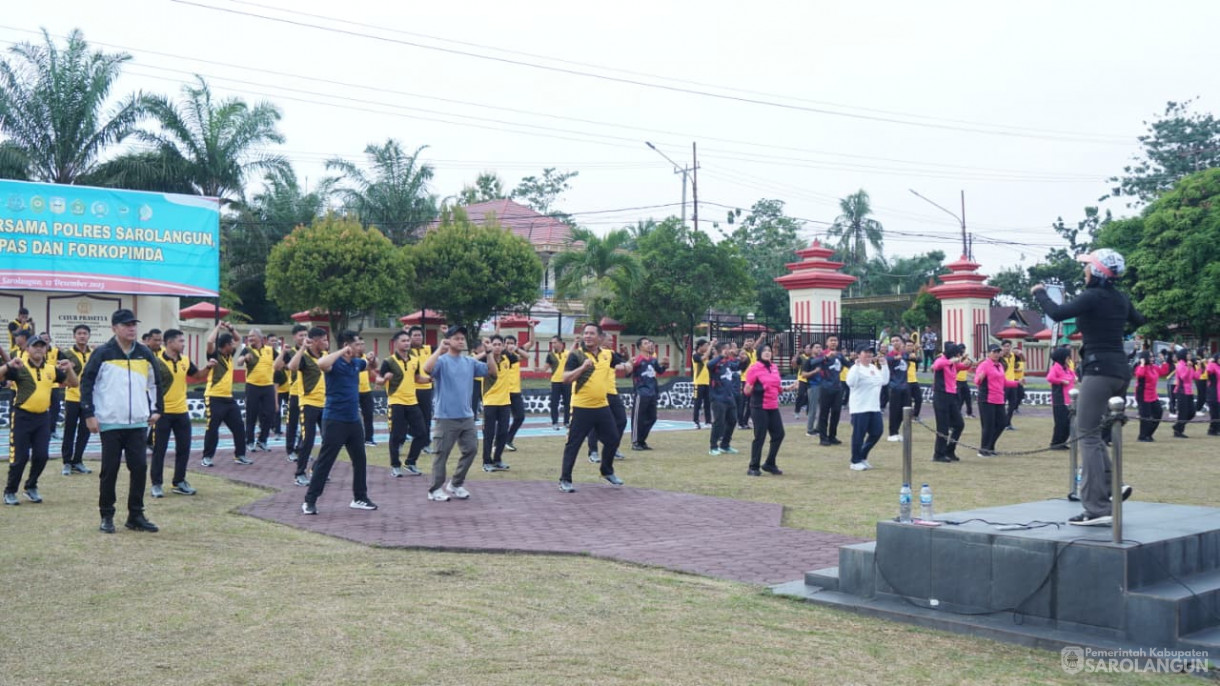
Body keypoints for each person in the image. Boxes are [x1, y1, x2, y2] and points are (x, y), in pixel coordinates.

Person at [1031, 248, 1143, 525]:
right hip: (1120, 371)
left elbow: (1056, 313)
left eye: (1087, 267)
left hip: (1098, 370)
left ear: (1096, 271)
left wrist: (1039, 292)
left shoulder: (1092, 296)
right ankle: (1111, 486)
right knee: (1095, 433)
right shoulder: (1120, 298)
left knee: (1086, 435)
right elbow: (1139, 320)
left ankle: (1096, 508)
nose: (1085, 271)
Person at [79, 309, 163, 534]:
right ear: (114, 328)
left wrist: (157, 409)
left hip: (137, 423)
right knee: (110, 470)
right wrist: (89, 414)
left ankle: (135, 515)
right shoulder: (103, 353)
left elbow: (155, 383)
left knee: (139, 469)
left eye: (134, 324)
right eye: (126, 325)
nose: (132, 328)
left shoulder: (144, 353)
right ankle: (107, 515)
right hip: (110, 422)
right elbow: (87, 383)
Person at [301, 330, 378, 515]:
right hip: (335, 419)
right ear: (346, 345)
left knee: (360, 459)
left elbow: (373, 366)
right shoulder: (333, 363)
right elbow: (321, 364)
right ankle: (309, 500)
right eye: (357, 344)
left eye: (360, 344)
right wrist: (342, 352)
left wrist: (372, 359)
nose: (360, 347)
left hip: (353, 420)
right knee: (326, 462)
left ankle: (360, 497)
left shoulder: (357, 363)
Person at [422, 326, 495, 501]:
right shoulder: (442, 361)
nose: (461, 341)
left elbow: (492, 372)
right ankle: (435, 489)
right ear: (448, 340)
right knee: (442, 454)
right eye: (457, 338)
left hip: (467, 416)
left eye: (463, 338)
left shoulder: (469, 362)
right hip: (446, 417)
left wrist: (489, 352)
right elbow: (426, 369)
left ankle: (455, 484)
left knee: (471, 449)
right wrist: (440, 349)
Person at [1, 335, 77, 505]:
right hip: (22, 417)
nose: (38, 349)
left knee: (42, 456)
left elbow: (74, 383)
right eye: (35, 346)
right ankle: (10, 490)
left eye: (42, 346)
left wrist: (69, 369)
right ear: (27, 349)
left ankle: (31, 486)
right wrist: (7, 366)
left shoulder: (51, 369)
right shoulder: (19, 366)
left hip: (42, 417)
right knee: (19, 458)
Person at [558, 323, 623, 492]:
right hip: (581, 407)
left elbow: (624, 365)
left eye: (591, 333)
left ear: (600, 338)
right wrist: (582, 367)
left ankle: (606, 471)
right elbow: (565, 379)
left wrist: (629, 364)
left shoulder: (607, 355)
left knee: (613, 439)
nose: (587, 336)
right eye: (585, 333)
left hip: (602, 406)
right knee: (573, 444)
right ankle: (565, 479)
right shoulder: (576, 356)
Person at [150, 329, 206, 497]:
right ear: (170, 343)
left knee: (184, 448)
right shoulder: (156, 362)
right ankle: (156, 484)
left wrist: (209, 368)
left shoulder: (186, 360)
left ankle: (179, 481)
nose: (184, 344)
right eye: (181, 341)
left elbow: (197, 376)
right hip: (163, 413)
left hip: (182, 412)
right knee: (159, 449)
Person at [200, 322, 250, 468]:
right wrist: (217, 327)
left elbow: (239, 339)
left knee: (239, 427)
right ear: (225, 345)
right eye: (231, 344)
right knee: (212, 428)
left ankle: (240, 455)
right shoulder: (214, 355)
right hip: (213, 397)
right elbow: (210, 341)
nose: (234, 346)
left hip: (228, 398)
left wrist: (231, 328)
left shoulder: (229, 355)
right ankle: (207, 457)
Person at [380, 331, 429, 477]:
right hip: (396, 402)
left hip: (412, 402)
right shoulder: (388, 362)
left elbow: (418, 378)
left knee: (422, 433)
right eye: (403, 341)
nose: (407, 343)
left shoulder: (414, 360)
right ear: (395, 343)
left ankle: (411, 462)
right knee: (396, 435)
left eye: (408, 340)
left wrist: (431, 379)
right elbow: (379, 380)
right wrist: (383, 379)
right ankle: (395, 465)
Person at [743, 344, 797, 476]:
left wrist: (787, 388)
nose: (767, 353)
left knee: (779, 434)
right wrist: (748, 389)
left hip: (772, 405)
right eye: (764, 351)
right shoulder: (754, 368)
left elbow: (776, 386)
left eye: (769, 351)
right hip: (759, 406)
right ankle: (753, 466)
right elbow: (747, 389)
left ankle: (769, 463)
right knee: (760, 436)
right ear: (759, 353)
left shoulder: (774, 367)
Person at [288, 327, 328, 486]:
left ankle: (317, 469)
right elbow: (292, 366)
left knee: (330, 440)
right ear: (316, 341)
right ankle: (299, 473)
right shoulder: (304, 357)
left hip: (325, 404)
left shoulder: (326, 357)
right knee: (308, 440)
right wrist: (304, 347)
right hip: (308, 404)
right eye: (324, 340)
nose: (326, 343)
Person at [586, 331, 632, 463]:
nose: (612, 342)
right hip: (598, 393)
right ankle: (593, 452)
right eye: (609, 340)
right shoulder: (592, 354)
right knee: (595, 424)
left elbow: (624, 364)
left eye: (612, 340)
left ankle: (612, 447)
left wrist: (627, 359)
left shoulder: (611, 354)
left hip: (612, 392)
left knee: (621, 420)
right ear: (601, 340)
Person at [845, 345, 889, 471]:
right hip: (860, 407)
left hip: (874, 407)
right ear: (859, 354)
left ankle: (862, 455)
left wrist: (884, 366)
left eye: (870, 353)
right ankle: (855, 460)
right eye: (866, 353)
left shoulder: (873, 368)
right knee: (859, 435)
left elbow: (884, 381)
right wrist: (857, 367)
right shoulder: (855, 368)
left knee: (877, 432)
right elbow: (851, 383)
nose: (869, 355)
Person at [59, 324, 94, 476]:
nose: (82, 336)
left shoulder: (94, 353)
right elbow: (60, 376)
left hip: (89, 398)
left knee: (85, 431)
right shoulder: (66, 354)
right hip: (72, 397)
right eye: (79, 333)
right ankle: (67, 462)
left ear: (89, 336)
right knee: (69, 430)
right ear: (74, 336)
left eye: (85, 333)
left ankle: (78, 461)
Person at [930, 341, 970, 463]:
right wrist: (952, 361)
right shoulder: (942, 360)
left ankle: (949, 450)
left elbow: (962, 367)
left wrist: (969, 363)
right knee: (943, 427)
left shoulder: (953, 363)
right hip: (941, 396)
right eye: (957, 353)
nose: (959, 356)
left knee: (959, 424)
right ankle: (938, 454)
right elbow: (936, 366)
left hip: (952, 396)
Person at [480, 335, 514, 472]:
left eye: (500, 344)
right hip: (490, 401)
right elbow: (471, 360)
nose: (497, 347)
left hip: (505, 401)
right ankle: (486, 461)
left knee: (503, 432)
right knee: (489, 433)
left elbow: (524, 355)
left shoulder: (507, 358)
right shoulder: (486, 359)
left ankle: (498, 459)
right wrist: (486, 351)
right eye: (495, 344)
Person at [239, 328, 277, 453]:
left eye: (253, 336)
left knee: (270, 413)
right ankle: (249, 441)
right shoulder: (247, 350)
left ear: (261, 338)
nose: (250, 339)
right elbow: (239, 362)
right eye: (249, 337)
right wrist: (245, 358)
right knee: (251, 414)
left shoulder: (270, 350)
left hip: (268, 386)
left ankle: (262, 440)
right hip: (252, 386)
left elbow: (282, 361)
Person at [274, 324, 309, 461]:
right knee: (292, 423)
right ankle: (290, 451)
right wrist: (282, 352)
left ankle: (301, 449)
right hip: (294, 392)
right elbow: (276, 367)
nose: (304, 338)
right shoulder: (291, 353)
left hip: (308, 393)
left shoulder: (311, 351)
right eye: (301, 335)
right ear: (294, 337)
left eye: (306, 335)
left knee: (307, 424)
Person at [974, 344, 1014, 457]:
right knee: (988, 425)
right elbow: (977, 381)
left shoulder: (1000, 365)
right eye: (994, 352)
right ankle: (984, 449)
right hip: (987, 398)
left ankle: (990, 446)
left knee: (1002, 423)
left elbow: (1004, 381)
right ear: (989, 353)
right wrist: (980, 378)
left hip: (999, 398)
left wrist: (1017, 383)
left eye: (998, 352)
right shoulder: (984, 365)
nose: (996, 354)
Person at [631, 337, 667, 450]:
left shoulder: (653, 360)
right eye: (646, 343)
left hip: (652, 392)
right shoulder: (637, 360)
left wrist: (665, 365)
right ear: (640, 347)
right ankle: (635, 442)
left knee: (652, 418)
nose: (649, 345)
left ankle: (642, 440)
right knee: (638, 418)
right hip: (641, 392)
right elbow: (628, 372)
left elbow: (660, 371)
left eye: (649, 343)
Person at [706, 341, 740, 456]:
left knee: (733, 420)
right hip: (718, 397)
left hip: (729, 397)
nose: (729, 350)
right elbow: (709, 365)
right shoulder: (715, 362)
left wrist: (743, 358)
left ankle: (725, 445)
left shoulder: (728, 363)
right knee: (719, 422)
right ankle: (713, 447)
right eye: (727, 349)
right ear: (721, 350)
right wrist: (720, 356)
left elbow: (738, 366)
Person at [814, 336, 849, 446]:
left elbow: (848, 365)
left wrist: (858, 362)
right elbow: (814, 362)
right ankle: (823, 438)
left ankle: (832, 436)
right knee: (824, 413)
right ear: (827, 343)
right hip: (825, 387)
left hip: (837, 388)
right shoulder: (823, 354)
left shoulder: (839, 355)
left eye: (835, 341)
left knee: (836, 413)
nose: (834, 342)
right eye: (831, 341)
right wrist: (826, 357)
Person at [406, 326, 435, 453]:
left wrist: (446, 335)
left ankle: (425, 443)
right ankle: (402, 440)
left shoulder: (428, 349)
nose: (418, 337)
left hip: (426, 388)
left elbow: (444, 349)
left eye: (420, 335)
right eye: (415, 335)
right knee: (407, 417)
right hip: (410, 388)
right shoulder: (406, 350)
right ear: (410, 337)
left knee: (426, 417)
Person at [1133, 351, 1170, 442]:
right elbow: (1139, 374)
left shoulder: (1153, 367)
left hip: (1153, 395)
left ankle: (1148, 433)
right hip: (1143, 395)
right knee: (1145, 416)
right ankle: (1142, 436)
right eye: (1150, 357)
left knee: (1158, 413)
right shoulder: (1141, 367)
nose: (1152, 359)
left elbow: (1164, 371)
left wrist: (1163, 361)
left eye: (1153, 357)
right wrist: (1142, 363)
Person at [1046, 346, 1075, 450]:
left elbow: (1073, 377)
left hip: (1068, 399)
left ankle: (1062, 442)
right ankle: (1056, 443)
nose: (1069, 359)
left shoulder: (1066, 368)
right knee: (1061, 423)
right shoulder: (1056, 367)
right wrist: (1061, 381)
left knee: (1067, 423)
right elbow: (1049, 378)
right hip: (1060, 399)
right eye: (1067, 357)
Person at [502, 335, 526, 451]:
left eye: (511, 343)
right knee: (503, 420)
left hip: (516, 391)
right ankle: (498, 442)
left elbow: (527, 356)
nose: (509, 345)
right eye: (507, 343)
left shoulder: (516, 357)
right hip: (504, 392)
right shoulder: (501, 356)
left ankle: (508, 439)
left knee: (520, 417)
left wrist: (516, 349)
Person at [885, 344, 912, 442]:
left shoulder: (905, 355)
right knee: (894, 411)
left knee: (904, 411)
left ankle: (896, 431)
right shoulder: (889, 356)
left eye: (898, 341)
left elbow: (916, 359)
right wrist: (895, 358)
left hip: (905, 386)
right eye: (893, 341)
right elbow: (887, 361)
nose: (895, 343)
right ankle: (892, 433)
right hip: (894, 387)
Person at [545, 336, 570, 430]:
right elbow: (546, 367)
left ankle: (566, 422)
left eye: (554, 342)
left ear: (560, 343)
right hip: (555, 382)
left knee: (568, 402)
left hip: (566, 381)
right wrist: (539, 369)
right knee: (554, 403)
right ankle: (554, 423)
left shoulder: (567, 353)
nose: (553, 344)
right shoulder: (550, 355)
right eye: (552, 343)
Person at [737, 334, 762, 430]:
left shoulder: (756, 352)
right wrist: (743, 348)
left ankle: (745, 421)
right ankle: (740, 423)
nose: (749, 343)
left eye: (751, 341)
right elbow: (739, 358)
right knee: (742, 402)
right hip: (744, 380)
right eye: (747, 341)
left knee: (752, 403)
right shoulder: (742, 352)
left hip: (754, 380)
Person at [1171, 350, 1197, 437]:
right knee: (1183, 412)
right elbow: (1183, 377)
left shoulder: (1188, 364)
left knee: (1192, 412)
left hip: (1189, 391)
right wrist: (1189, 368)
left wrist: (1199, 367)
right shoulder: (1180, 365)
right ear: (1184, 355)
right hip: (1181, 391)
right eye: (1188, 354)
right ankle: (1178, 431)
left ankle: (1177, 426)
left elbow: (1196, 376)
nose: (1190, 355)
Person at [800, 342, 823, 437]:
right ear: (812, 349)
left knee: (823, 409)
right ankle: (810, 430)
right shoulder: (808, 361)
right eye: (816, 347)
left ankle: (818, 428)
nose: (819, 349)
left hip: (823, 386)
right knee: (813, 409)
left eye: (820, 347)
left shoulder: (821, 360)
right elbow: (803, 374)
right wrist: (815, 371)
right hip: (813, 386)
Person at [268, 334, 288, 438]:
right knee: (275, 409)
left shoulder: (279, 354)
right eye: (272, 341)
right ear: (267, 342)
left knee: (292, 410)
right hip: (272, 385)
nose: (274, 343)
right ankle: (275, 429)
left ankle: (284, 429)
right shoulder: (265, 353)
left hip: (286, 387)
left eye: (276, 341)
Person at [358, 348, 378, 447]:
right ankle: (346, 440)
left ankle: (369, 439)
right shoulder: (350, 357)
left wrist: (377, 379)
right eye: (358, 344)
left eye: (362, 345)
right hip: (354, 391)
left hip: (366, 390)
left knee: (368, 415)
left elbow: (372, 368)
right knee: (349, 416)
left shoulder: (365, 357)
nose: (360, 347)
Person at [691, 338, 711, 429]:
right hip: (698, 383)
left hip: (707, 382)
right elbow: (703, 358)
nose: (707, 347)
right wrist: (711, 345)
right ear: (700, 346)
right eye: (706, 346)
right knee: (697, 403)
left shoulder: (707, 355)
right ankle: (696, 422)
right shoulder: (695, 355)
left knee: (707, 403)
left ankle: (708, 422)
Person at [955, 350, 975, 418]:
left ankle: (969, 413)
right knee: (959, 398)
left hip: (964, 381)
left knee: (968, 398)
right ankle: (958, 412)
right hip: (957, 381)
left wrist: (971, 375)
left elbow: (966, 368)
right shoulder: (956, 360)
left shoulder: (965, 360)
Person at [1207, 353, 1220, 436]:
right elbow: (1208, 371)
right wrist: (1210, 363)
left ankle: (1215, 429)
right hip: (1214, 392)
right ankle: (1213, 429)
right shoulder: (1213, 365)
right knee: (1215, 413)